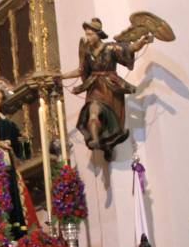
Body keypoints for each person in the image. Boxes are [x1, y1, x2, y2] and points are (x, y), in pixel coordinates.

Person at [62, 18, 153, 161]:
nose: (88, 37)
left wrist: (142, 41)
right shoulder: (87, 53)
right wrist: (62, 76)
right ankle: (96, 139)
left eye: (90, 34)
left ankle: (107, 143)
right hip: (94, 88)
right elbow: (81, 70)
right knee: (93, 112)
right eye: (86, 34)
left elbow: (130, 48)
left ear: (98, 34)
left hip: (110, 87)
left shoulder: (110, 48)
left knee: (110, 118)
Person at [0, 80, 38, 239]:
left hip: (8, 165)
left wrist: (25, 142)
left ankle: (14, 231)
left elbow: (21, 148)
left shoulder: (8, 123)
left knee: (12, 196)